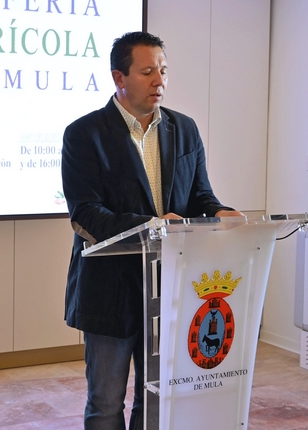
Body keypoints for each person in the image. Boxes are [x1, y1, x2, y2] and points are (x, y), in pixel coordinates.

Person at [61, 31, 241, 430]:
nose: (159, 80)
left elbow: (200, 196)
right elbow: (87, 214)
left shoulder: (185, 129)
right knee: (106, 403)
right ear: (119, 78)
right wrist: (153, 225)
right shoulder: (84, 134)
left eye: (163, 70)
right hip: (110, 289)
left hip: (171, 288)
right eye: (147, 72)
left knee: (156, 398)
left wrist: (221, 212)